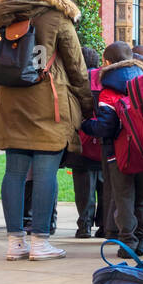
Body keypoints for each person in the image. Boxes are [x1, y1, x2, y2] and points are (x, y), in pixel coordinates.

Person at [0, 0, 93, 261]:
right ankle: (41, 242)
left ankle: (15, 243)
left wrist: (3, 93)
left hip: (10, 102)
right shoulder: (56, 16)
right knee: (45, 172)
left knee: (14, 172)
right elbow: (76, 67)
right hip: (48, 101)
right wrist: (87, 104)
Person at [81, 41, 143, 257]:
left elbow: (105, 127)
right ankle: (142, 239)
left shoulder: (108, 91)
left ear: (107, 63)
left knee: (123, 197)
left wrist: (85, 124)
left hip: (117, 153)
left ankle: (128, 240)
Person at [65, 45, 103, 238]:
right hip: (104, 140)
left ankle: (84, 226)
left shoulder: (74, 82)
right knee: (105, 187)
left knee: (83, 189)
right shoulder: (106, 80)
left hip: (81, 142)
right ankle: (105, 225)